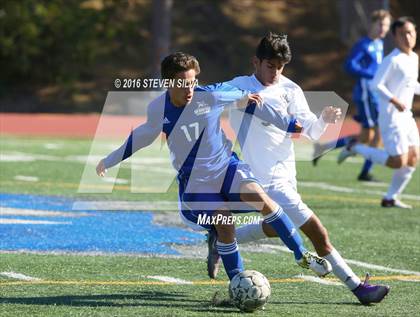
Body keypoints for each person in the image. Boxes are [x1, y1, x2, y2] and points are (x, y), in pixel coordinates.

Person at [96, 52, 331, 281]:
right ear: (167, 82)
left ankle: (302, 255)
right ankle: (238, 282)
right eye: (182, 83)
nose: (189, 89)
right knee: (224, 222)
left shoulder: (209, 95)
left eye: (192, 82)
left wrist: (289, 124)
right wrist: (109, 160)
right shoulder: (158, 108)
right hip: (197, 181)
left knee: (262, 199)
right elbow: (141, 137)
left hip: (226, 166)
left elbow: (252, 100)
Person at [206, 32, 390, 305]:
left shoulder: (291, 90)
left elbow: (312, 132)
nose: (276, 73)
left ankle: (221, 238)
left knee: (275, 228)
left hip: (285, 175)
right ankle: (357, 287)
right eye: (270, 66)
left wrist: (324, 120)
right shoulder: (239, 86)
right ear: (255, 62)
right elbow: (210, 98)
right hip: (260, 179)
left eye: (280, 67)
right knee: (318, 233)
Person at [338, 17, 419, 208]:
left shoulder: (413, 58)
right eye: (403, 34)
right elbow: (376, 85)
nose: (408, 37)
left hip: (406, 116)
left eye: (411, 32)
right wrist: (394, 100)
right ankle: (354, 147)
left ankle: (390, 197)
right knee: (397, 162)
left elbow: (410, 85)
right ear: (395, 36)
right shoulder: (392, 60)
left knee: (413, 157)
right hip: (391, 116)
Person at [313, 10, 392, 182]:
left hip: (374, 95)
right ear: (372, 24)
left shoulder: (379, 44)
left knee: (366, 136)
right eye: (381, 24)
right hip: (366, 94)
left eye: (386, 25)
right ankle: (364, 172)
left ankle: (325, 147)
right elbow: (349, 65)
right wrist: (371, 73)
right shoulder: (364, 44)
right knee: (378, 134)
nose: (383, 29)